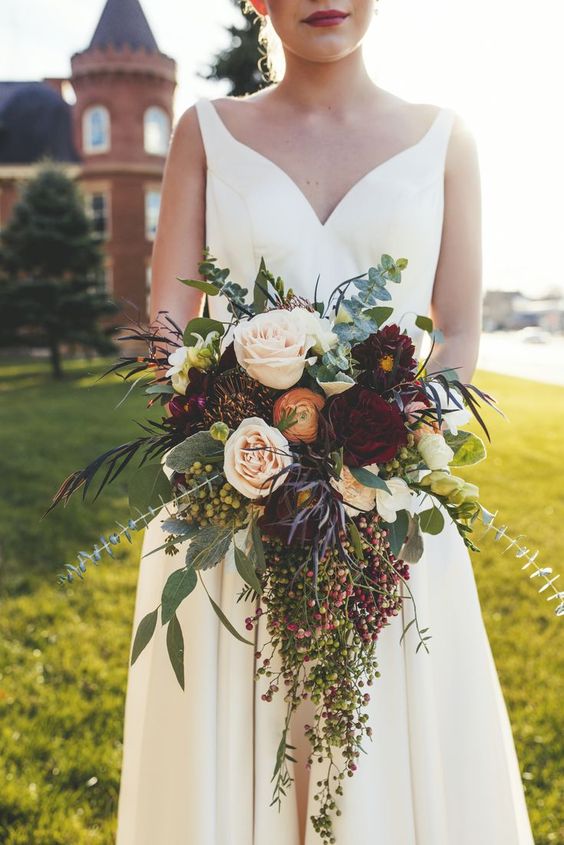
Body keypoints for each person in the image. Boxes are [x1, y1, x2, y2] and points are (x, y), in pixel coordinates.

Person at [116, 2, 536, 843]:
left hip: (386, 509)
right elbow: (165, 327)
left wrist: (396, 440)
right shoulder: (206, 131)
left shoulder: (447, 139)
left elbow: (455, 327)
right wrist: (229, 423)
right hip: (235, 506)